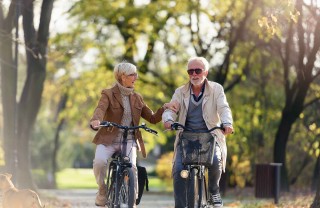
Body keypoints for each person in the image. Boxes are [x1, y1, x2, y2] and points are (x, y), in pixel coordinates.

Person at [90, 61, 175, 207]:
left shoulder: (137, 98)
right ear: (123, 77)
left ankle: (132, 200)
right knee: (99, 162)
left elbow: (153, 118)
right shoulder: (108, 94)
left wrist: (163, 108)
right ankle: (102, 190)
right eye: (132, 74)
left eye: (136, 74)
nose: (136, 77)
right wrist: (96, 120)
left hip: (129, 140)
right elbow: (100, 109)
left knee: (132, 167)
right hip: (108, 139)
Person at [162, 57, 234, 208]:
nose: (194, 74)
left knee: (215, 161)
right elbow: (171, 109)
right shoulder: (180, 92)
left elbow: (223, 108)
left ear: (205, 72)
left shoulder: (216, 89)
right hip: (186, 139)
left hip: (210, 137)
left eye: (198, 70)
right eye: (190, 71)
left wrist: (227, 123)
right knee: (178, 170)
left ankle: (213, 190)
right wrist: (168, 119)